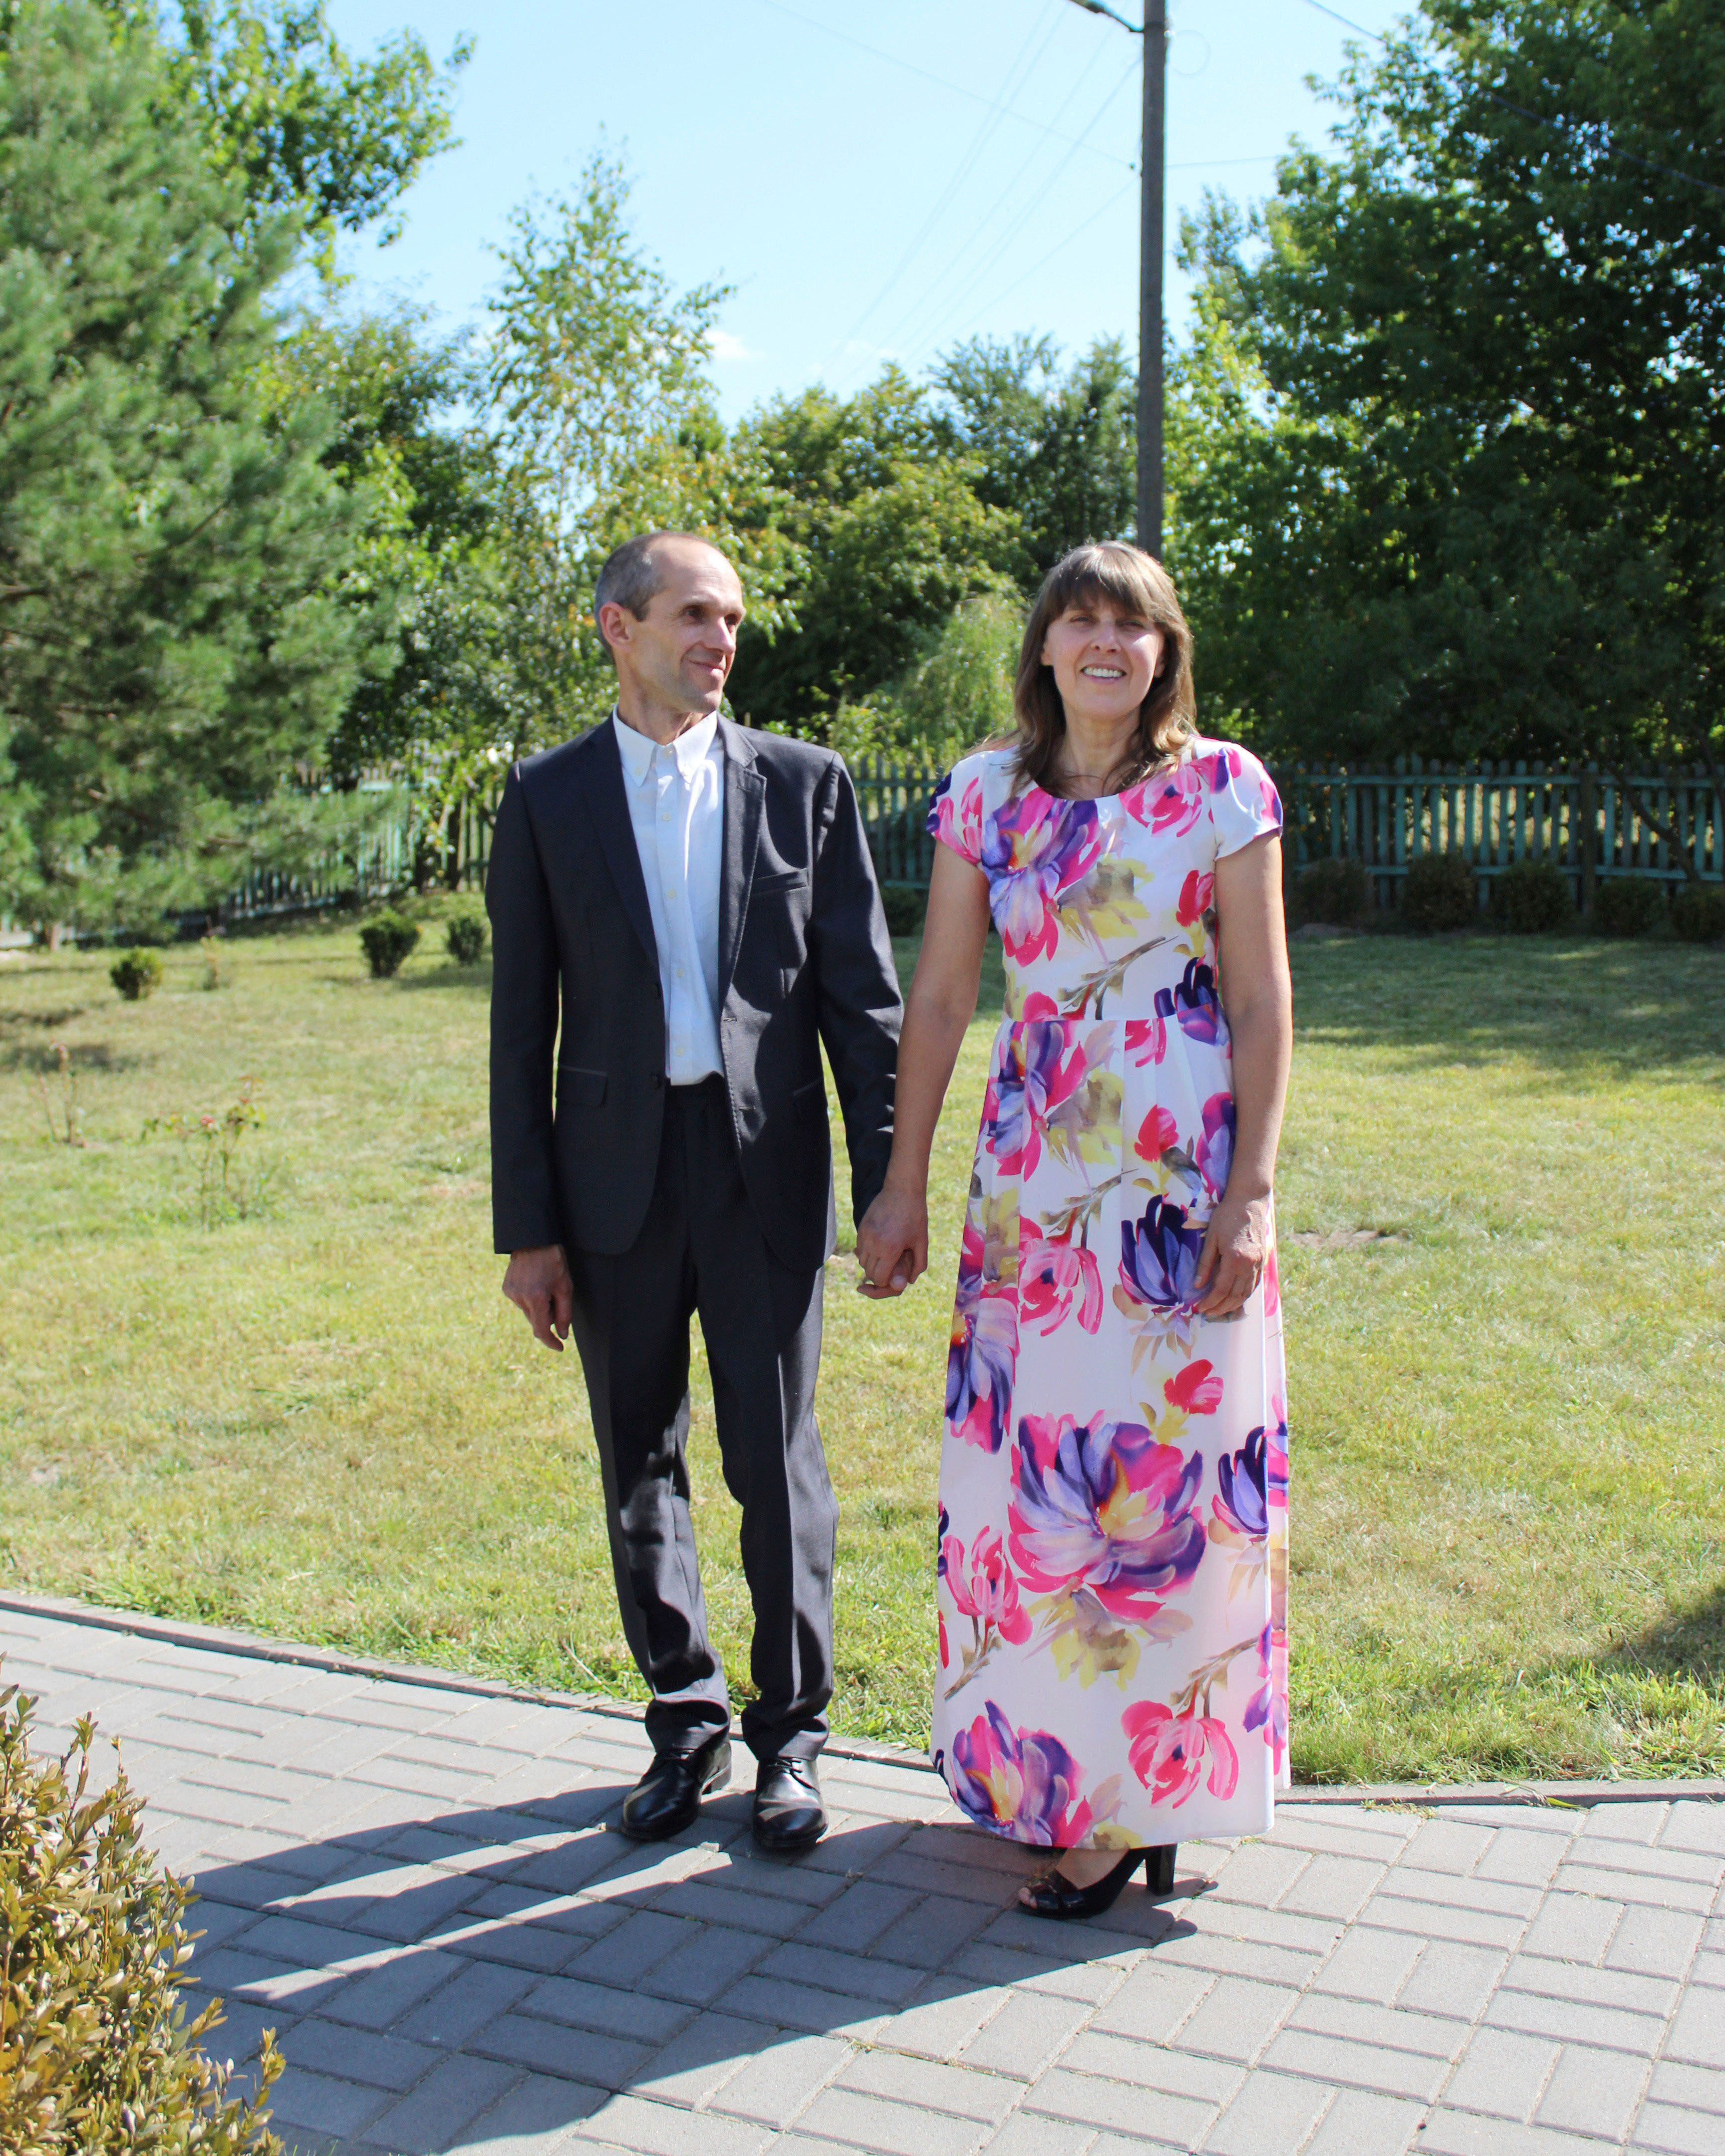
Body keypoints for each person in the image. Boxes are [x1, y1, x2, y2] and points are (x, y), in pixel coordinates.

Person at [857, 541, 1292, 1918]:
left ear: (1167, 652)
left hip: (1179, 1178)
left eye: (1135, 624)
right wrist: (898, 1180)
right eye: (1080, 620)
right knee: (1038, 1483)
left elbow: (1268, 1003)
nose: (1106, 641)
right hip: (1031, 1182)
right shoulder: (982, 795)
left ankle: (1133, 1799)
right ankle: (1055, 1769)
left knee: (1160, 1482)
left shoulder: (1223, 786)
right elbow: (936, 1003)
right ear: (1042, 647)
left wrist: (1256, 1192)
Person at [487, 531, 901, 1854]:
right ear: (616, 628)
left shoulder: (805, 787)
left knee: (771, 1460)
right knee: (636, 1459)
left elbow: (865, 1010)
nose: (720, 640)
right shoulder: (547, 799)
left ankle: (793, 1739)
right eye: (692, 617)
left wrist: (890, 1188)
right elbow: (518, 1029)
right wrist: (528, 1231)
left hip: (762, 1168)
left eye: (731, 620)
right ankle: (684, 1717)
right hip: (610, 1182)